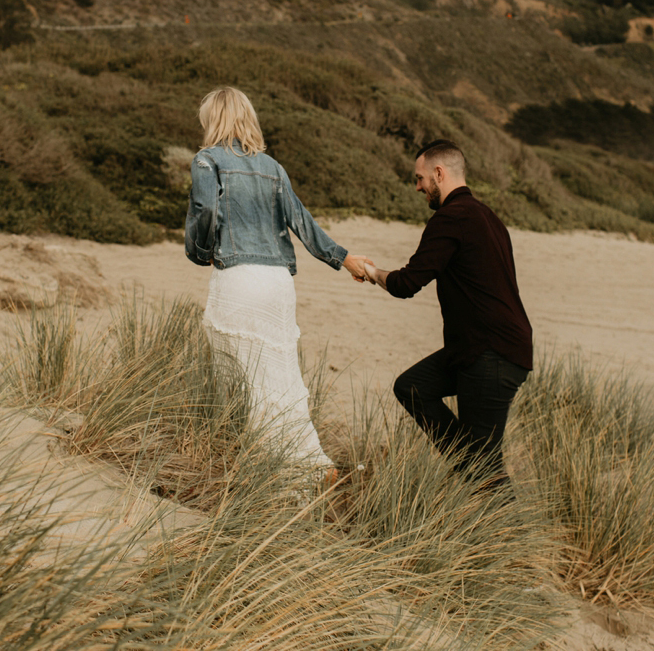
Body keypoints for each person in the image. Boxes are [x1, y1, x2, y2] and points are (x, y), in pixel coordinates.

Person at [185, 84, 378, 474]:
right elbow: (301, 221)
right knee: (281, 377)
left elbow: (205, 210)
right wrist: (345, 259)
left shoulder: (207, 160)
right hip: (278, 284)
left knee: (239, 379)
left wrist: (201, 252)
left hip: (238, 278)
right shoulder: (273, 167)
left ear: (213, 119)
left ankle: (263, 469)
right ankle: (311, 464)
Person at [364, 143, 534, 477]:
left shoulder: (451, 218)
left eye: (420, 178)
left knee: (485, 469)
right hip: (481, 350)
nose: (418, 187)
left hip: (491, 354)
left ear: (439, 174)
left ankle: (498, 508)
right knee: (412, 387)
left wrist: (371, 273)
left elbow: (407, 283)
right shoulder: (488, 217)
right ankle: (466, 463)